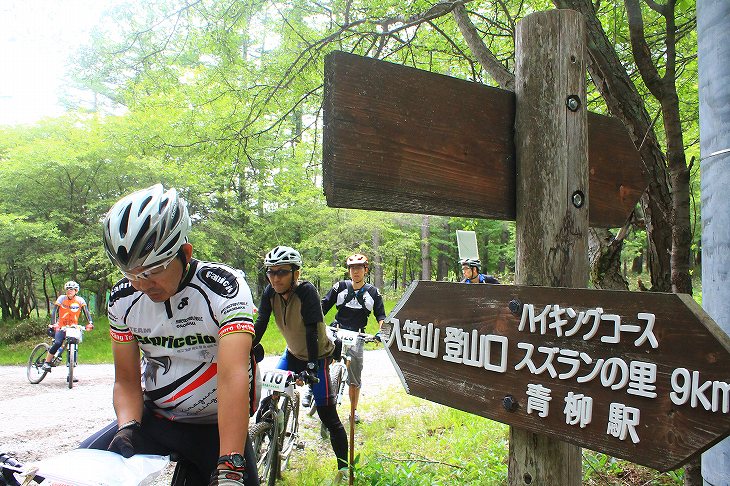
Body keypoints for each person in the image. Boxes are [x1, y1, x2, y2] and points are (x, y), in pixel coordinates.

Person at [80, 184, 259, 486]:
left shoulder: (224, 289)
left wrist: (230, 461)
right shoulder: (123, 298)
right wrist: (128, 426)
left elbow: (232, 377)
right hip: (156, 420)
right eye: (131, 273)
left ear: (185, 254)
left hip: (216, 426)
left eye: (153, 270)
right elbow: (125, 379)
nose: (140, 284)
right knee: (76, 470)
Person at [253, 246, 349, 482]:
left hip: (318, 355)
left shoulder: (307, 292)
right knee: (267, 399)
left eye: (282, 272)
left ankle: (345, 469)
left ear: (295, 273)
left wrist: (312, 368)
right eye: (271, 272)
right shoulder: (270, 292)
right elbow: (262, 322)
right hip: (292, 353)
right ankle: (263, 440)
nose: (275, 278)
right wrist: (248, 347)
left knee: (328, 416)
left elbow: (312, 333)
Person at [320, 253, 386, 424]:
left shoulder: (373, 292)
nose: (355, 272)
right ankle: (312, 392)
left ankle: (353, 410)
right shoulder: (339, 287)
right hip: (337, 329)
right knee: (321, 358)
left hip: (358, 335)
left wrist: (381, 332)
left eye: (359, 268)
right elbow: (323, 306)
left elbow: (381, 316)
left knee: (355, 376)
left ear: (365, 270)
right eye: (352, 268)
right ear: (349, 271)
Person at [42, 280, 94, 380]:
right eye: (68, 289)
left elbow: (86, 312)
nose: (69, 291)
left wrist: (90, 323)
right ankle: (46, 362)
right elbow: (54, 311)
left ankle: (71, 374)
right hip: (61, 326)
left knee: (73, 348)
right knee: (57, 343)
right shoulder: (62, 298)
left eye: (72, 289)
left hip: (73, 327)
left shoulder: (80, 300)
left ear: (76, 290)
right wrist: (53, 324)